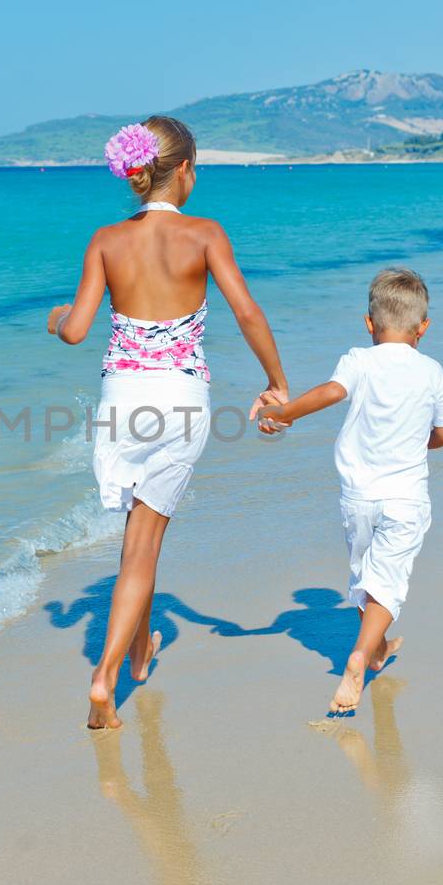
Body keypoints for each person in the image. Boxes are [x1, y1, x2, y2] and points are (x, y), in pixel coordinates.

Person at [48, 116, 288, 729]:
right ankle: (104, 680)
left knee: (137, 536)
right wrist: (276, 382)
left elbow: (76, 330)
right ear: (183, 170)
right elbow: (248, 312)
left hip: (120, 402)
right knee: (144, 547)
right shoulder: (204, 234)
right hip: (178, 400)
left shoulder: (105, 239)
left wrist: (54, 319)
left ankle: (138, 651)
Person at [255, 267, 443, 715]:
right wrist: (416, 440)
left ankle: (379, 648)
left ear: (369, 323)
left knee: (366, 576)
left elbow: (330, 391)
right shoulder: (431, 371)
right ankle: (360, 659)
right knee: (387, 582)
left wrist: (285, 413)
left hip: (358, 496)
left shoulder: (358, 360)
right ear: (424, 327)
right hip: (405, 496)